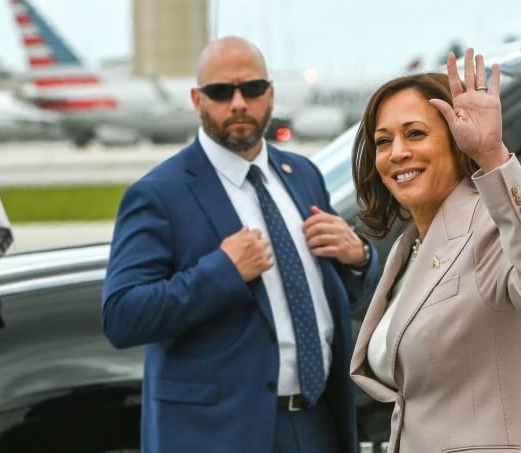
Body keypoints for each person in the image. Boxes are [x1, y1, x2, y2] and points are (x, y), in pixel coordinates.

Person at [101, 36, 379, 453]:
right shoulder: (160, 194)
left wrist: (359, 258)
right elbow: (122, 317)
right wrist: (221, 272)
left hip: (320, 423)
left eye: (250, 89)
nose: (237, 103)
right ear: (197, 99)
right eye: (220, 92)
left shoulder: (302, 174)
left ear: (270, 93)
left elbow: (343, 293)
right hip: (220, 434)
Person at [349, 49, 521, 452]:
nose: (397, 152)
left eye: (415, 133)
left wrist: (491, 155)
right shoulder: (409, 248)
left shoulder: (490, 225)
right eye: (384, 141)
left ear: (456, 143)